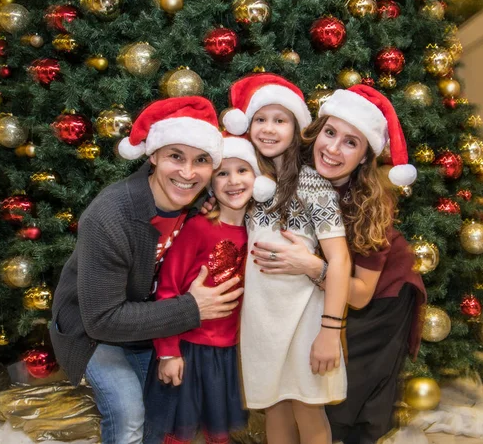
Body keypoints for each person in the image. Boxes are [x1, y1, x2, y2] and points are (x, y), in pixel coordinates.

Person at [49, 96, 244, 444]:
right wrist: (192, 308)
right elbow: (102, 318)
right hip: (94, 328)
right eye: (175, 157)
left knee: (162, 408)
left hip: (153, 328)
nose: (187, 173)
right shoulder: (111, 216)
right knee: (127, 413)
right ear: (153, 155)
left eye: (201, 160)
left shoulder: (203, 205)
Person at [251, 86, 427, 444]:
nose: (332, 149)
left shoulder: (370, 206)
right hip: (327, 290)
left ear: (364, 157)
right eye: (330, 133)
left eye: (350, 142)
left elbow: (360, 294)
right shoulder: (296, 171)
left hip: (381, 297)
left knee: (349, 403)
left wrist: (310, 266)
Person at [221, 73, 352, 444]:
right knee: (274, 410)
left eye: (280, 120)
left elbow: (339, 261)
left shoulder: (313, 183)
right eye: (260, 119)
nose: (268, 128)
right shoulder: (244, 179)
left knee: (308, 410)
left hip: (306, 320)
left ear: (296, 128)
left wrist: (329, 333)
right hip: (260, 319)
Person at [143, 135, 275, 444]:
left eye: (242, 170)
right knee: (178, 431)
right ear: (210, 184)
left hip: (232, 352)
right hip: (189, 348)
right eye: (222, 173)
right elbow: (168, 289)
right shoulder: (198, 229)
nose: (233, 181)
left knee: (221, 432)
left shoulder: (260, 231)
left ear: (258, 178)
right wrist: (168, 352)